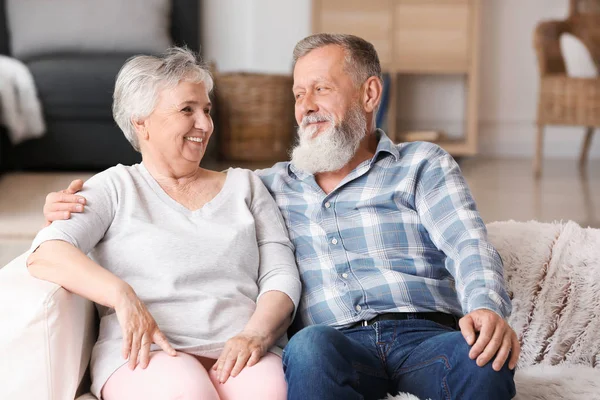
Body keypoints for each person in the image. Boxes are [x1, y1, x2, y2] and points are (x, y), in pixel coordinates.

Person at [43, 34, 520, 399]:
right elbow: (55, 247)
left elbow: (468, 243)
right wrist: (61, 213)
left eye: (321, 90)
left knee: (485, 364)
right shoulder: (273, 183)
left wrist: (485, 306)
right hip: (334, 343)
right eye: (297, 94)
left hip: (424, 331)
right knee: (309, 348)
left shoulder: (420, 163)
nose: (306, 106)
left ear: (370, 94)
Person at [28, 47, 301, 400]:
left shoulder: (246, 186)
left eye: (206, 110)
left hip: (242, 350)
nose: (204, 124)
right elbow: (46, 253)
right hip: (149, 353)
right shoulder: (112, 187)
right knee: (186, 391)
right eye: (187, 110)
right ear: (141, 121)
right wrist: (122, 296)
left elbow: (280, 275)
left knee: (274, 391)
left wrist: (257, 335)